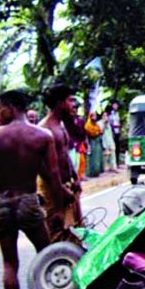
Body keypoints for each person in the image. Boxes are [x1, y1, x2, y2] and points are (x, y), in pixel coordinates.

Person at [0, 90, 74, 289]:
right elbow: (52, 176)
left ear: (11, 106)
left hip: (3, 202)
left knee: (10, 264)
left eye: (1, 108)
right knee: (46, 255)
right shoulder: (42, 136)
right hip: (29, 201)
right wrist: (60, 210)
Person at [39, 84, 82, 241]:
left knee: (77, 233)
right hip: (53, 189)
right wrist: (60, 190)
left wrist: (74, 177)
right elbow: (45, 168)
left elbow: (65, 155)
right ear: (60, 103)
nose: (73, 105)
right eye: (70, 100)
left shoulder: (61, 125)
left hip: (67, 185)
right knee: (57, 233)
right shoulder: (44, 129)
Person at [108, 99, 122, 166]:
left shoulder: (117, 113)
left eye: (117, 105)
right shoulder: (110, 113)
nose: (116, 106)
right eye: (115, 105)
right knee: (113, 147)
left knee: (118, 147)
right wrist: (115, 126)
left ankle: (117, 162)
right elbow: (109, 124)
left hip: (117, 132)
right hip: (112, 132)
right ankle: (113, 163)